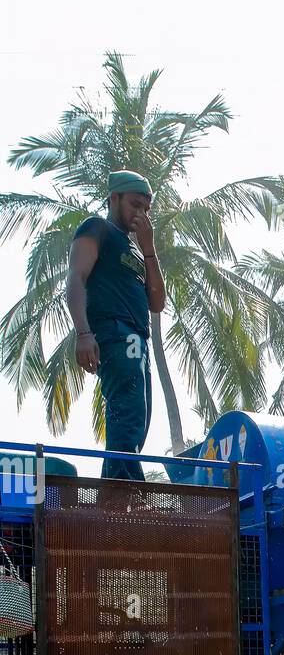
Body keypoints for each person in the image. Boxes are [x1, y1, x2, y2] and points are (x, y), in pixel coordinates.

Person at [66, 171, 167, 481]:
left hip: (138, 339)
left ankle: (112, 495)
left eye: (147, 209)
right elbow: (75, 277)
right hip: (114, 332)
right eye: (135, 204)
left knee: (138, 417)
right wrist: (83, 333)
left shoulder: (136, 248)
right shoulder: (98, 228)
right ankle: (128, 491)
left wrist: (148, 248)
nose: (141, 213)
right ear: (114, 198)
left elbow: (157, 302)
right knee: (129, 408)